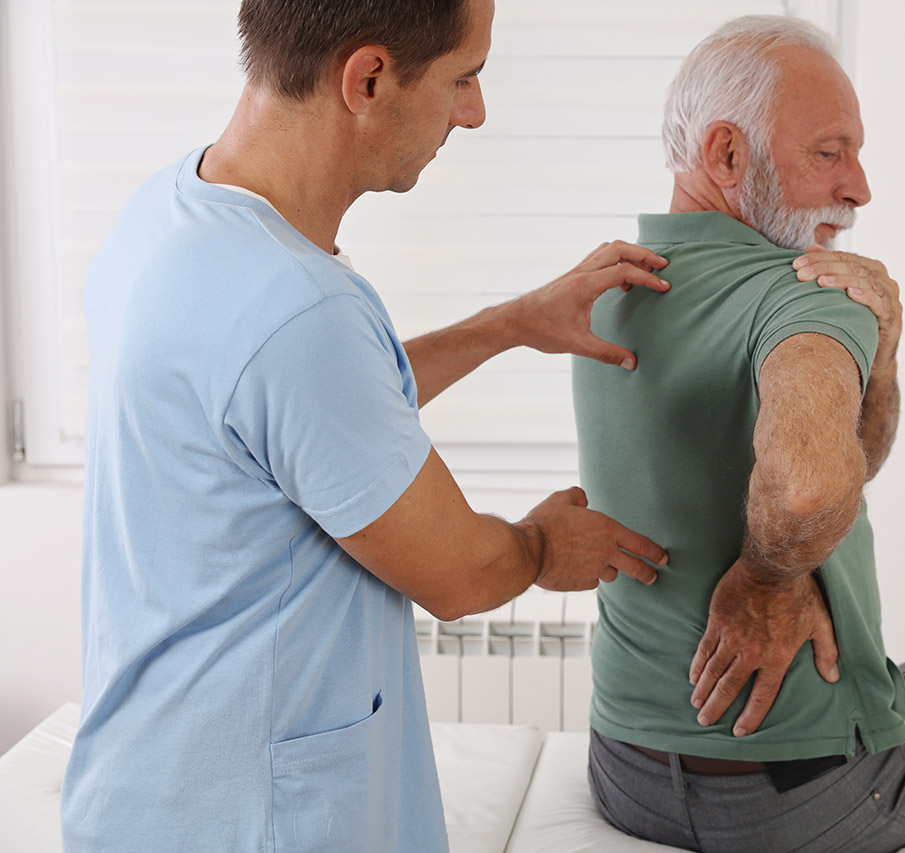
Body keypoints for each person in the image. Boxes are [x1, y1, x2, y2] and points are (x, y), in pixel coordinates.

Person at [60, 0, 675, 849]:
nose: (476, 111)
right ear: (370, 77)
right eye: (465, 77)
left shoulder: (171, 212)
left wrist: (509, 324)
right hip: (253, 819)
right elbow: (458, 572)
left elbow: (308, 425)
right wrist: (540, 545)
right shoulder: (297, 309)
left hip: (145, 794)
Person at [574, 16, 905, 852]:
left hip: (624, 771)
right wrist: (767, 575)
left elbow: (841, 461)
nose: (860, 186)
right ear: (727, 156)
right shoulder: (810, 292)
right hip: (796, 799)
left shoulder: (600, 291)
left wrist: (886, 347)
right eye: (830, 152)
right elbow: (813, 482)